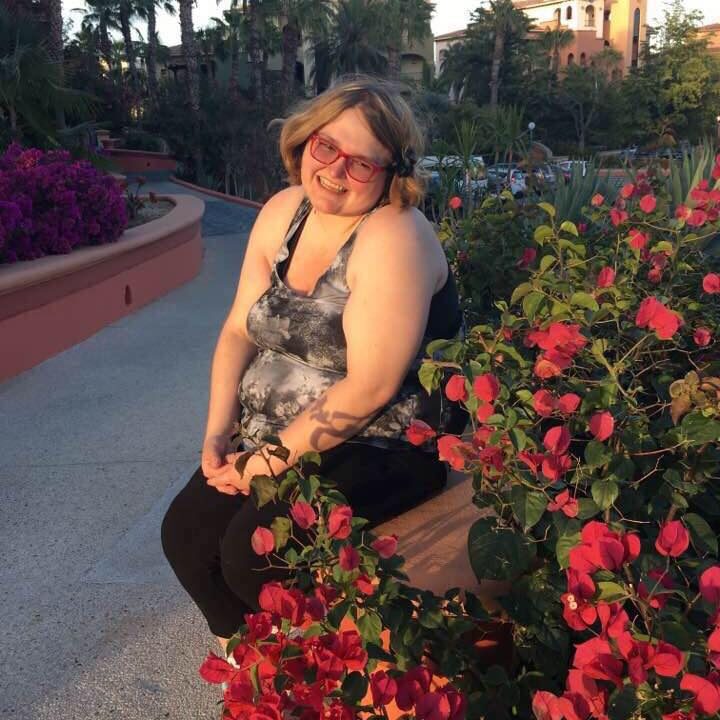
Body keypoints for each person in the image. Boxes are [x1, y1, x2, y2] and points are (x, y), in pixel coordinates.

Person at [161, 77, 464, 652]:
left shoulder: (393, 236)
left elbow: (370, 388)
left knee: (253, 556)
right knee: (184, 537)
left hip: (383, 444)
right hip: (275, 434)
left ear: (390, 174)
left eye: (361, 163)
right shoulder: (283, 212)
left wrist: (262, 465)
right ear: (305, 141)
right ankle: (252, 665)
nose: (335, 170)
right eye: (327, 148)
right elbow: (235, 329)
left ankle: (314, 670)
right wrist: (218, 435)